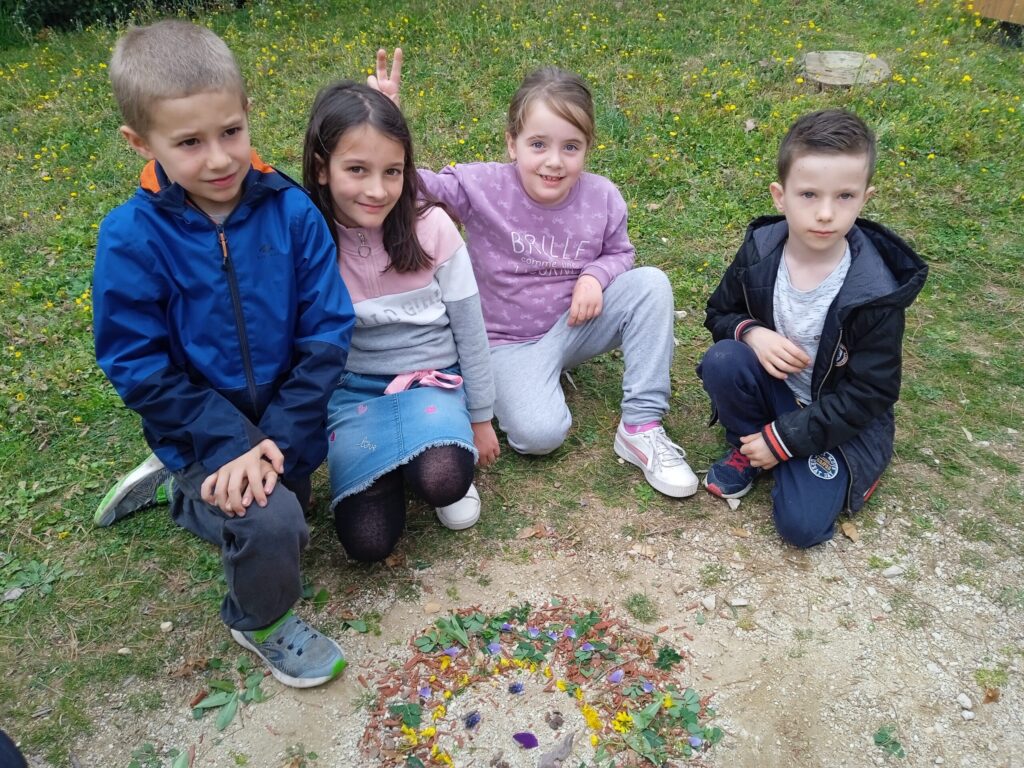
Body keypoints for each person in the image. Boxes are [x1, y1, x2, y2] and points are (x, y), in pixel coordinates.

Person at [91, 21, 355, 688]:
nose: (218, 159)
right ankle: (259, 620)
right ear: (139, 142)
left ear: (246, 113)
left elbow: (327, 332)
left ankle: (188, 499)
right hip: (201, 432)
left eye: (231, 131)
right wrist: (228, 443)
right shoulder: (129, 238)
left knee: (293, 511)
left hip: (287, 424)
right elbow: (137, 365)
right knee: (274, 528)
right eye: (189, 142)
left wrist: (276, 441)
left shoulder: (293, 211)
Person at [368, 50, 698, 498]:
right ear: (512, 144)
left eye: (570, 147)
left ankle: (641, 425)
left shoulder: (603, 197)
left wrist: (595, 276)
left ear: (587, 147)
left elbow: (621, 253)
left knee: (652, 284)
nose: (554, 161)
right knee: (540, 435)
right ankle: (525, 383)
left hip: (576, 325)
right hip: (507, 344)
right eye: (538, 144)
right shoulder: (482, 186)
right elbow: (411, 187)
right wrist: (389, 128)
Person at [699, 109, 928, 547]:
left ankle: (790, 454)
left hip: (840, 421)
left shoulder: (876, 292)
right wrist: (751, 332)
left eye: (845, 196)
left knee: (801, 527)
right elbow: (719, 312)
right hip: (778, 395)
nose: (825, 213)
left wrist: (784, 440)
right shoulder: (760, 250)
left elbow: (872, 393)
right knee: (724, 358)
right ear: (780, 196)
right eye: (808, 194)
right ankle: (750, 445)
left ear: (865, 198)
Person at [302, 81, 498, 562]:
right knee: (367, 543)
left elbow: (470, 330)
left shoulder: (433, 227)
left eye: (392, 171)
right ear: (322, 168)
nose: (377, 190)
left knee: (444, 479)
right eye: (357, 169)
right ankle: (392, 463)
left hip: (433, 379)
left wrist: (481, 418)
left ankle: (435, 448)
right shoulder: (306, 237)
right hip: (354, 391)